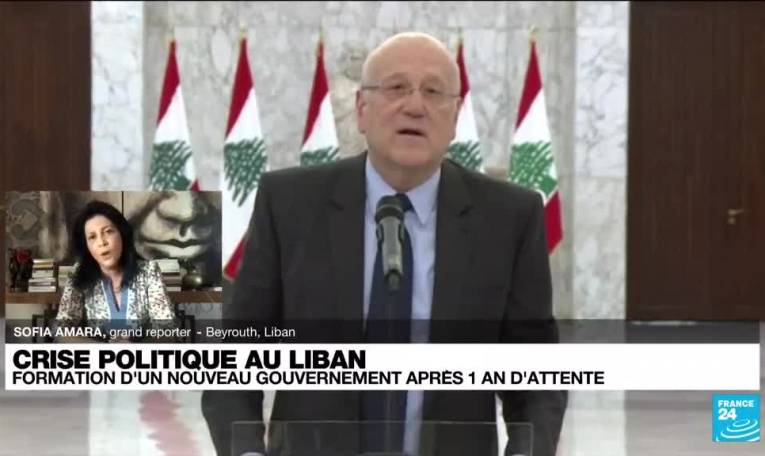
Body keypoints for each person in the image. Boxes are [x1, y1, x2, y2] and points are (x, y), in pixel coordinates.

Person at [202, 32, 567, 456]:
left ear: (455, 118)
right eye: (396, 88)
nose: (415, 106)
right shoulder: (289, 205)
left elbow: (536, 380)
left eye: (434, 92)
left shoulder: (509, 218)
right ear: (362, 109)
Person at [55, 200, 178, 343]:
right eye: (92, 237)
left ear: (122, 234)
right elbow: (61, 330)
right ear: (87, 246)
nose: (102, 242)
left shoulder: (148, 271)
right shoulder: (79, 272)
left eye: (108, 232)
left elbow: (168, 330)